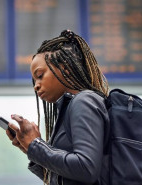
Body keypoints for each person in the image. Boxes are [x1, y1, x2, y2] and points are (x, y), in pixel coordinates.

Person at [6, 30, 110, 185]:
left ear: (65, 68)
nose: (36, 86)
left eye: (40, 75)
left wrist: (37, 145)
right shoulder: (71, 108)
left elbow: (86, 168)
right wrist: (30, 148)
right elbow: (65, 178)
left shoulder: (84, 101)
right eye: (34, 81)